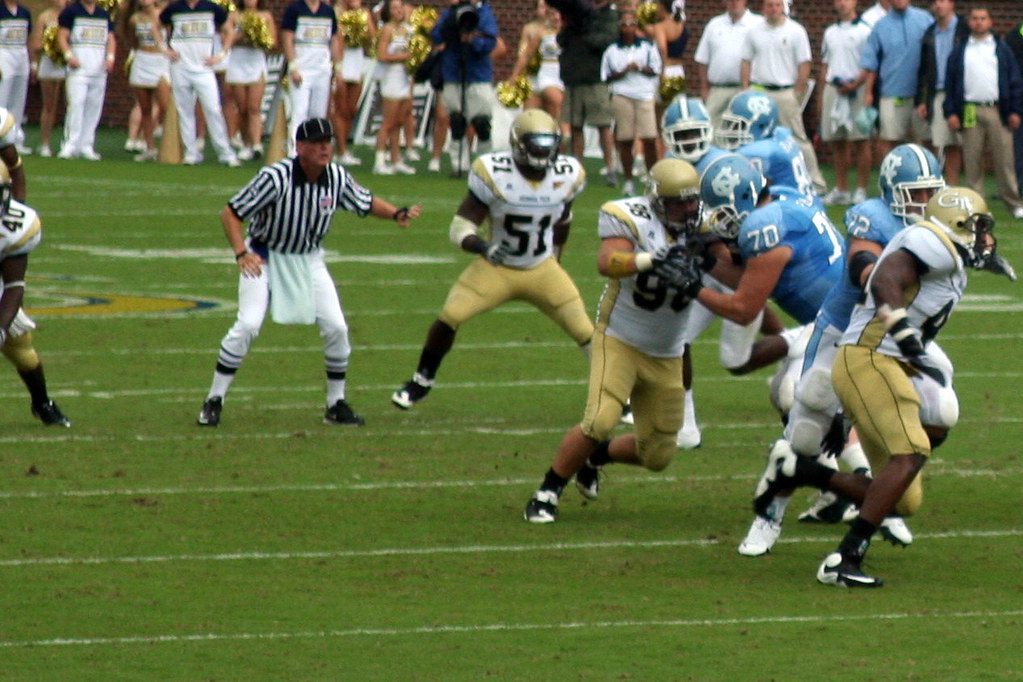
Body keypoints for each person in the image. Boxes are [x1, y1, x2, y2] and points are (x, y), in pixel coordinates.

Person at [754, 186, 1012, 587]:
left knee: (902, 496)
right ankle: (843, 559)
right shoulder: (931, 241)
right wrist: (900, 325)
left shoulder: (949, 254)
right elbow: (884, 279)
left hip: (884, 363)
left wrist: (986, 255)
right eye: (977, 228)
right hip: (871, 356)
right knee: (912, 451)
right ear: (954, 225)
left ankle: (799, 470)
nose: (983, 237)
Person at [736, 143, 945, 557]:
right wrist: (880, 278)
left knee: (941, 410)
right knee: (809, 425)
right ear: (891, 191)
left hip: (900, 335)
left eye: (928, 192)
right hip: (846, 328)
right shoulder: (874, 216)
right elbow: (860, 262)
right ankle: (771, 509)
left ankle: (884, 486)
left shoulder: (940, 226)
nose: (922, 202)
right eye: (914, 193)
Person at [197, 118, 421, 428]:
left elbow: (365, 202)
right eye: (317, 142)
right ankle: (214, 399)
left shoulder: (336, 177)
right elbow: (231, 213)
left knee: (337, 328)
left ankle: (335, 403)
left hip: (307, 259)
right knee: (248, 324)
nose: (325, 147)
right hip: (266, 256)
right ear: (299, 147)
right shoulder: (275, 178)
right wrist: (241, 252)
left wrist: (396, 213)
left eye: (328, 141)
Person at [521, 158, 703, 523]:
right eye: (676, 203)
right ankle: (547, 491)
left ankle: (596, 457)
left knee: (658, 455)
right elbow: (608, 261)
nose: (686, 210)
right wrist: (653, 260)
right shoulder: (629, 215)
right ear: (655, 201)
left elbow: (733, 266)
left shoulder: (709, 224)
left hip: (667, 351)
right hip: (620, 337)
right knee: (600, 420)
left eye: (690, 201)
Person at [390, 109, 590, 411]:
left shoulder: (568, 174)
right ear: (519, 144)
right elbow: (459, 229)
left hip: (541, 267)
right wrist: (484, 247)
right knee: (450, 317)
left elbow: (564, 218)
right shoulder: (494, 171)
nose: (543, 152)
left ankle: (618, 397)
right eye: (536, 144)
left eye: (548, 145)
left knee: (587, 333)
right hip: (497, 267)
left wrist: (557, 258)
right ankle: (421, 381)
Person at [0, 167, 71, 427]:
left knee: (20, 344)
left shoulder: (15, 227)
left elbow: (13, 285)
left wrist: (1, 328)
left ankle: (42, 403)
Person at [943, 6, 1023, 220]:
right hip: (970, 110)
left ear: (990, 22)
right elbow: (950, 84)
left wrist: (1015, 110)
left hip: (998, 110)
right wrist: (951, 112)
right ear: (969, 22)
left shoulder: (1000, 48)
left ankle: (1014, 203)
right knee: (972, 161)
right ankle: (976, 206)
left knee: (1005, 160)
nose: (979, 22)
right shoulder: (960, 50)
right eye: (975, 18)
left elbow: (1014, 81)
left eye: (983, 18)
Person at [739, 0, 824, 195]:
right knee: (754, 137)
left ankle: (816, 183)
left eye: (777, 5)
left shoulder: (796, 31)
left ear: (783, 7)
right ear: (763, 8)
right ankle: (753, 181)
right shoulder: (754, 31)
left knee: (797, 138)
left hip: (786, 92)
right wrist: (745, 90)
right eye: (769, 5)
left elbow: (804, 63)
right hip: (759, 92)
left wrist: (798, 92)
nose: (774, 9)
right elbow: (745, 61)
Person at [160, 0, 241, 166]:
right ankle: (191, 153)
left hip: (204, 67)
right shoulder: (174, 9)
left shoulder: (212, 8)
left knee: (213, 109)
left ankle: (225, 153)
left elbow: (230, 30)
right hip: (180, 66)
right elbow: (156, 26)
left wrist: (222, 54)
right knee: (185, 111)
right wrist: (163, 48)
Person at [551, 0, 618, 184]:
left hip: (595, 78)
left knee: (603, 125)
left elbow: (605, 40)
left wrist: (583, 30)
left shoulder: (608, 15)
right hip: (573, 77)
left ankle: (610, 168)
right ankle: (578, 168)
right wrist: (570, 25)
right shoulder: (577, 16)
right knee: (575, 125)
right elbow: (561, 40)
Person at [430, 0, 498, 176]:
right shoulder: (451, 12)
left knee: (482, 122)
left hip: (478, 75)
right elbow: (436, 35)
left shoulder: (484, 13)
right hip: (454, 72)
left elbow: (490, 42)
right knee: (457, 120)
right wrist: (452, 30)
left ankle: (485, 164)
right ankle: (459, 164)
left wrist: (473, 40)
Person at [859, 0, 933, 158]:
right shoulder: (880, 26)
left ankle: (929, 180)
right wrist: (868, 93)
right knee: (888, 141)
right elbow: (871, 63)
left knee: (926, 141)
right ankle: (891, 179)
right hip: (891, 94)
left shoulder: (925, 20)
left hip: (921, 96)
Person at [600, 9, 660, 196]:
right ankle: (628, 180)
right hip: (622, 94)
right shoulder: (612, 50)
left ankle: (652, 179)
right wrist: (625, 70)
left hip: (644, 94)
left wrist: (640, 67)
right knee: (625, 138)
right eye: (624, 24)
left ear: (637, 26)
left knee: (649, 137)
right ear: (620, 27)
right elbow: (606, 76)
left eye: (632, 24)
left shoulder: (647, 46)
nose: (628, 28)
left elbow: (655, 69)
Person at [819, 0, 873, 205]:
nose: (842, 3)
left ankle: (861, 190)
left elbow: (870, 65)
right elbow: (825, 64)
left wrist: (859, 86)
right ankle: (841, 189)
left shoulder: (865, 30)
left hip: (857, 91)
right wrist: (824, 93)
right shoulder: (830, 32)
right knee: (837, 142)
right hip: (834, 89)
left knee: (861, 140)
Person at [716, 89, 814, 196]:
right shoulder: (781, 135)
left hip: (785, 207)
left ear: (761, 125)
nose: (732, 130)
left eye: (738, 126)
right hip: (804, 201)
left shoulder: (756, 152)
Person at [915, 0, 967, 186]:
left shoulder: (964, 28)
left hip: (961, 93)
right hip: (937, 92)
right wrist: (922, 100)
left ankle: (952, 186)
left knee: (956, 144)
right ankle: (936, 185)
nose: (938, 5)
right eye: (935, 2)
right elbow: (923, 69)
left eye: (943, 1)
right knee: (939, 142)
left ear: (952, 4)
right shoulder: (930, 32)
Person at [56, 0, 116, 160]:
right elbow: (62, 36)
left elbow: (110, 38)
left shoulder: (103, 14)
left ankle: (86, 145)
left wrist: (110, 58)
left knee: (93, 108)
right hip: (78, 70)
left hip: (98, 71)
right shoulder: (71, 12)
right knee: (76, 105)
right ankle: (70, 144)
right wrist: (69, 56)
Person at [280, 0, 339, 158]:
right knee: (299, 112)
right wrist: (293, 66)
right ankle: (294, 153)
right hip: (302, 69)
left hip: (322, 70)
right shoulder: (295, 9)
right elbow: (287, 38)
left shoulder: (328, 11)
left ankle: (315, 152)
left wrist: (337, 67)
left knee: (318, 114)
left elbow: (333, 39)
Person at [693, 0, 762, 130]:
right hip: (718, 90)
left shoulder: (758, 24)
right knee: (710, 128)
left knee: (745, 131)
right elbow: (703, 59)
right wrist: (704, 88)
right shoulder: (714, 25)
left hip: (747, 89)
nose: (734, 2)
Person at [120, 0, 171, 163]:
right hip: (142, 60)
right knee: (146, 109)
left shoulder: (164, 14)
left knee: (166, 107)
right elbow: (133, 40)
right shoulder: (135, 18)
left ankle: (171, 147)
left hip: (161, 61)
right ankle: (149, 148)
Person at [227, 0, 274, 161]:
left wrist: (259, 38)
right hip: (238, 60)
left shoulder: (266, 16)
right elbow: (226, 39)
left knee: (254, 107)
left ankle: (256, 144)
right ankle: (246, 144)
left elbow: (272, 41)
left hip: (256, 61)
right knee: (242, 108)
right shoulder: (233, 16)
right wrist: (242, 35)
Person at [372, 0, 415, 176]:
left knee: (399, 121)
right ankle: (379, 161)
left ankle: (396, 160)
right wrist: (405, 56)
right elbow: (381, 55)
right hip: (391, 78)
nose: (399, 11)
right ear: (388, 12)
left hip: (404, 78)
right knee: (388, 123)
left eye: (400, 7)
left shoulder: (406, 29)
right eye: (395, 8)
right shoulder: (388, 30)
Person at [333, 0, 375, 165]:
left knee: (351, 109)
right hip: (341, 60)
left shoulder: (363, 14)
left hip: (356, 60)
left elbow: (372, 37)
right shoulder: (336, 12)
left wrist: (362, 16)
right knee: (340, 109)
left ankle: (343, 148)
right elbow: (337, 37)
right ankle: (340, 150)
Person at [507, 0, 563, 123]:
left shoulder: (569, 32)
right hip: (541, 77)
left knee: (556, 116)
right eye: (552, 14)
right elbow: (524, 54)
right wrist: (515, 76)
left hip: (564, 77)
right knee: (533, 116)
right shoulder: (536, 32)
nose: (556, 17)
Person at [28, 0, 67, 157]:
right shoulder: (45, 17)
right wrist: (50, 50)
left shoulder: (71, 15)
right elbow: (36, 43)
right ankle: (44, 143)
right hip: (49, 62)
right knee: (49, 105)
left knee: (71, 104)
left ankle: (70, 143)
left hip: (69, 63)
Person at [0, 0, 33, 154]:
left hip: (21, 55)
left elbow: (29, 37)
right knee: (2, 100)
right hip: (3, 53)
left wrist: (32, 62)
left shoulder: (24, 12)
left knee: (18, 101)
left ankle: (14, 139)